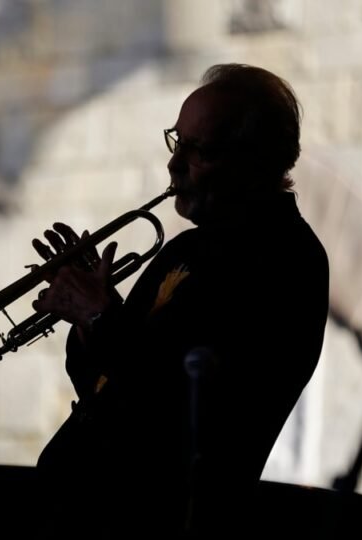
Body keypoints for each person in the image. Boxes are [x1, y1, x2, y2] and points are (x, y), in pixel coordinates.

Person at [30, 63, 329, 538]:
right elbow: (102, 385)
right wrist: (89, 315)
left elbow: (180, 403)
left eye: (200, 150)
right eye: (177, 141)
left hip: (159, 524)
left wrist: (100, 314)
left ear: (255, 162)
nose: (174, 164)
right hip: (78, 509)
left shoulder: (284, 259)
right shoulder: (186, 248)